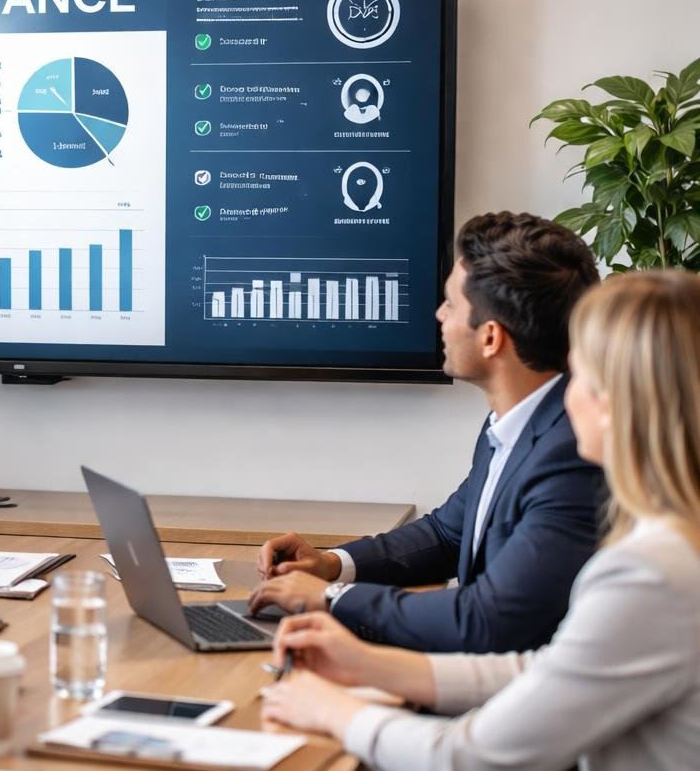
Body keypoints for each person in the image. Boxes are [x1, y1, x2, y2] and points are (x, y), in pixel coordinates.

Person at [262, 270, 700, 771]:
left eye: (582, 374)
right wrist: (369, 666)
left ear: (618, 402)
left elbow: (462, 767)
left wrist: (332, 710)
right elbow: (547, 671)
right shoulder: (674, 541)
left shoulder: (651, 575)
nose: (566, 392)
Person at [248, 212, 604, 652]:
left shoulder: (573, 453)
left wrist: (332, 599)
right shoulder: (519, 421)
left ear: (491, 338)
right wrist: (331, 564)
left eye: (451, 304)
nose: (438, 314)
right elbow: (445, 535)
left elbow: (488, 619)